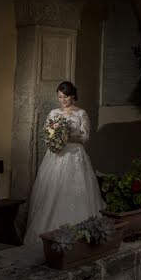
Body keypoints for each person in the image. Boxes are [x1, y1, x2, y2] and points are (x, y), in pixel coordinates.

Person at [23, 81, 105, 244]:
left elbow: (85, 137)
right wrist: (54, 139)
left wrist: (68, 136)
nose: (62, 100)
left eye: (66, 97)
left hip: (75, 156)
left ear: (73, 95)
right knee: (53, 192)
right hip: (56, 157)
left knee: (76, 192)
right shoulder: (53, 113)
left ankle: (80, 235)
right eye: (60, 97)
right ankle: (47, 234)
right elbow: (47, 134)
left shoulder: (81, 113)